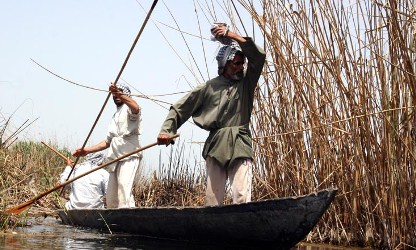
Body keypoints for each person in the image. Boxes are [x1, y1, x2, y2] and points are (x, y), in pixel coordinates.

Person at [157, 23, 266, 206]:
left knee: (241, 196)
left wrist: (231, 35)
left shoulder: (246, 83)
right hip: (216, 145)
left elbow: (258, 56)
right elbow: (180, 108)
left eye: (242, 63)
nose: (241, 67)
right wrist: (166, 130)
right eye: (237, 63)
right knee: (212, 200)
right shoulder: (209, 87)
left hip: (240, 143)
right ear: (225, 64)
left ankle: (241, 230)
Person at [72, 82, 142, 208]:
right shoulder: (115, 115)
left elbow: (136, 108)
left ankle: (128, 216)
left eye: (120, 92)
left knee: (124, 189)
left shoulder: (129, 108)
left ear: (126, 95)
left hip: (129, 154)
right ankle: (113, 220)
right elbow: (108, 141)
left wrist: (119, 93)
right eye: (114, 94)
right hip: (115, 157)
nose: (115, 96)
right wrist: (87, 151)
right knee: (111, 196)